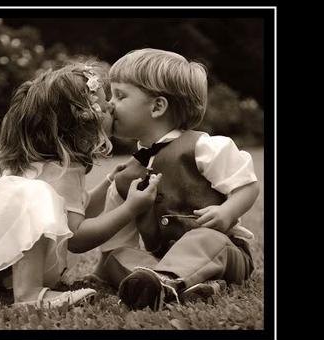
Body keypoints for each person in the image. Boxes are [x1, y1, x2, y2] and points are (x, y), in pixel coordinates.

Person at [0, 62, 161, 309]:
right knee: (36, 197)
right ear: (81, 122)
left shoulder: (44, 164)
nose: (111, 107)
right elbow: (77, 238)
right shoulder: (61, 170)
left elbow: (72, 214)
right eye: (104, 105)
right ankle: (29, 294)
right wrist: (130, 209)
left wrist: (108, 183)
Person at [91, 48, 260, 311]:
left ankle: (169, 280)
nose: (110, 105)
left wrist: (227, 212)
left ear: (157, 106)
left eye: (120, 95)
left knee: (206, 238)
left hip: (225, 253)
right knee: (115, 256)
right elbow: (119, 242)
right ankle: (178, 286)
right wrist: (103, 271)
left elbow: (247, 186)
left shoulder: (204, 147)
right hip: (162, 260)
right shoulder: (125, 178)